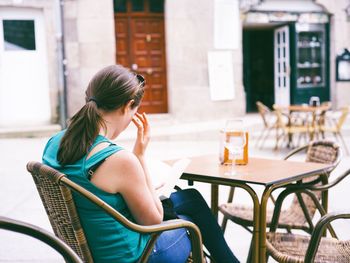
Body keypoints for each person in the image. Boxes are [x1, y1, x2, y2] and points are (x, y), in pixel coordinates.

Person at [42, 65, 239, 263]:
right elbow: (153, 220)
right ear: (127, 106)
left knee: (191, 199)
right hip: (133, 256)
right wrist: (140, 157)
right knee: (190, 223)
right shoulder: (118, 159)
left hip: (92, 243)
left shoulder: (55, 143)